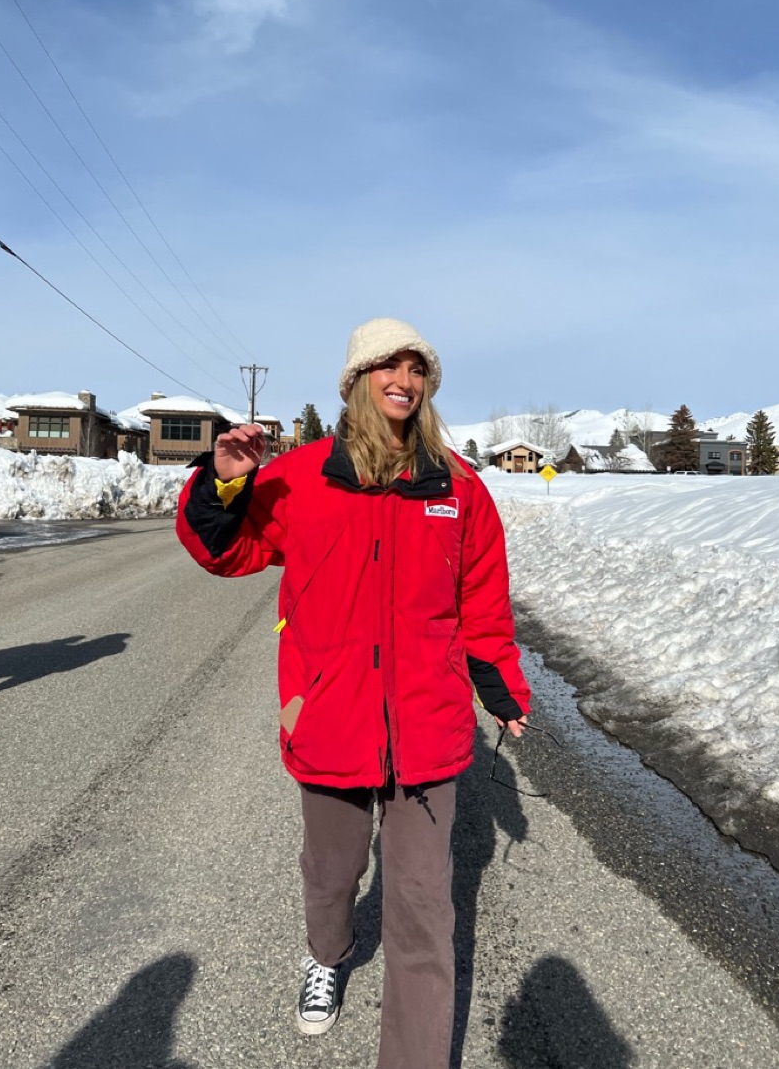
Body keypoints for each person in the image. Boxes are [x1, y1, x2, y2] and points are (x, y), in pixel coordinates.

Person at [176, 317, 530, 1069]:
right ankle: (326, 954)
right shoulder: (303, 476)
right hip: (328, 714)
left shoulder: (458, 487)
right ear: (356, 381)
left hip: (426, 726)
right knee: (333, 873)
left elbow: (482, 600)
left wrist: (499, 687)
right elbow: (224, 551)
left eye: (416, 368)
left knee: (424, 905)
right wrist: (224, 482)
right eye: (386, 366)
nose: (403, 380)